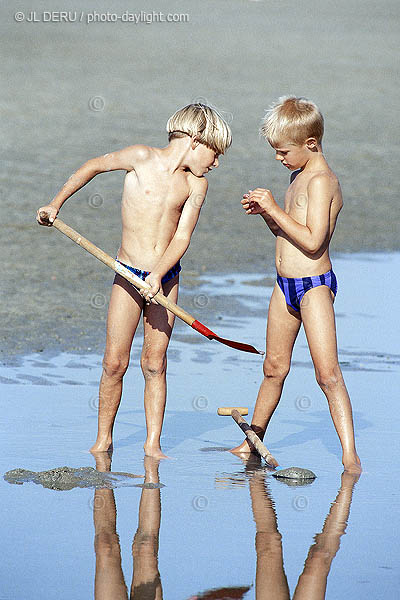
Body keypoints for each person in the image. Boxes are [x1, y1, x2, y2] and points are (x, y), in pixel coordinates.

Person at [37, 103, 232, 458]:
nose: (216, 163)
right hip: (127, 274)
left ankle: (153, 445)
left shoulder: (195, 184)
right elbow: (94, 166)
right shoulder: (141, 157)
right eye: (215, 153)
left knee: (154, 362)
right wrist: (56, 203)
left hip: (165, 277)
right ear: (195, 139)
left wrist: (158, 275)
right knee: (114, 362)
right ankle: (103, 440)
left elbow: (182, 237)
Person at [232, 96, 361, 473]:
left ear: (311, 143)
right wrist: (267, 216)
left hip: (314, 286)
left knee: (327, 373)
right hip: (283, 285)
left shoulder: (322, 181)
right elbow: (287, 234)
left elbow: (312, 240)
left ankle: (350, 457)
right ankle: (251, 443)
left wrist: (274, 208)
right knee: (273, 367)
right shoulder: (296, 177)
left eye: (283, 151)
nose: (279, 158)